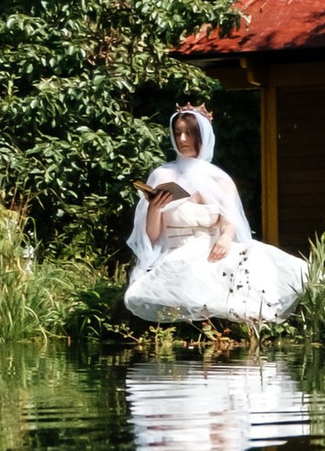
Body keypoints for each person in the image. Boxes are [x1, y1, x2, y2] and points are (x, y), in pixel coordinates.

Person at [122, 105, 306, 330]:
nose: (182, 139)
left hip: (214, 250)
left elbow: (230, 222)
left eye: (189, 133)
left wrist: (226, 238)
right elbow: (152, 237)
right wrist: (154, 209)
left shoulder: (220, 179)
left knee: (260, 255)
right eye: (178, 133)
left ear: (203, 136)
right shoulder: (163, 175)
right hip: (178, 253)